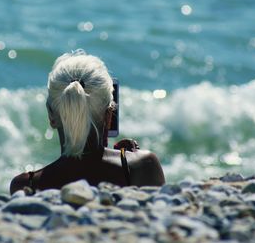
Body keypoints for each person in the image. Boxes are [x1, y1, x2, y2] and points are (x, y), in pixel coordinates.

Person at [10, 50, 165, 195]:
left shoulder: (25, 185)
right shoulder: (143, 167)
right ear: (110, 115)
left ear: (51, 116)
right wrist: (129, 160)